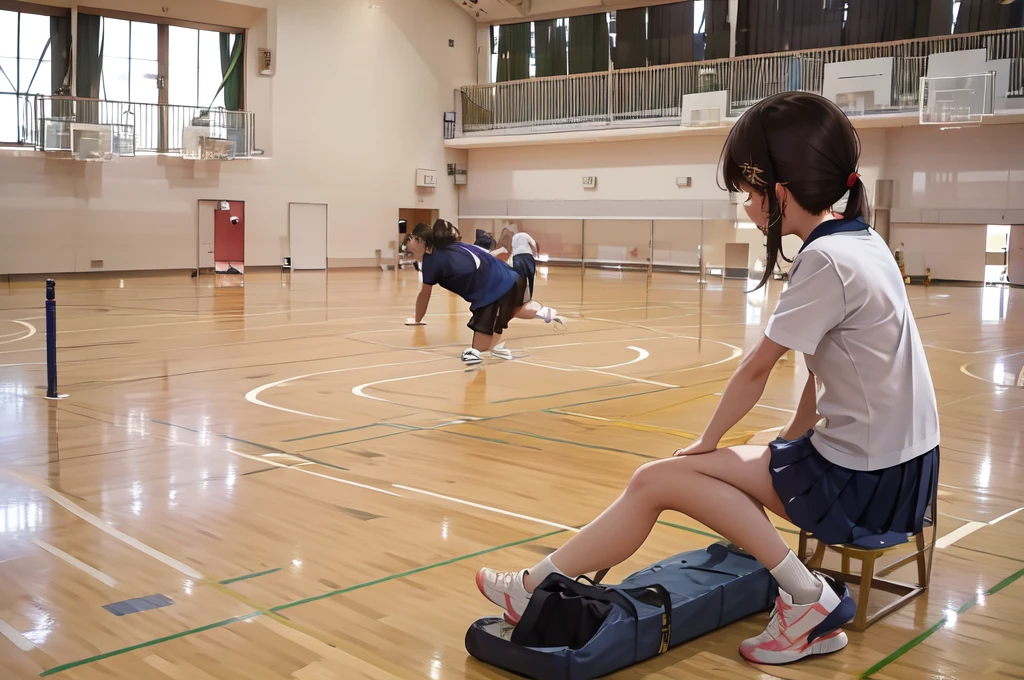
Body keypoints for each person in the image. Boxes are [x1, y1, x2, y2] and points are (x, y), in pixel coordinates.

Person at [475, 92, 940, 665]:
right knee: (706, 466)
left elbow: (756, 369)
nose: (746, 206)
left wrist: (706, 441)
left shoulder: (825, 262)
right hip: (907, 472)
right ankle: (802, 600)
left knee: (658, 479)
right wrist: (793, 433)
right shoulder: (863, 241)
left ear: (782, 192)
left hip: (863, 483)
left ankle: (805, 596)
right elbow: (831, 367)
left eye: (749, 193)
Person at [404, 220, 563, 365]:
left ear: (421, 240)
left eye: (410, 238)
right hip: (513, 278)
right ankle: (544, 312)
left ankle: (475, 352)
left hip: (491, 290)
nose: (407, 243)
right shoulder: (458, 246)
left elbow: (425, 294)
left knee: (483, 335)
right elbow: (490, 255)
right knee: (513, 309)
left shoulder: (432, 262)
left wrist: (417, 319)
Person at [492, 225, 540, 297]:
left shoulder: (513, 238)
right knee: (530, 277)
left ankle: (519, 296)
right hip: (527, 256)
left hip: (516, 257)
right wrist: (536, 253)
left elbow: (512, 249)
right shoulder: (525, 234)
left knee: (519, 279)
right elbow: (533, 243)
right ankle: (529, 295)